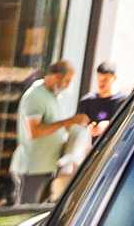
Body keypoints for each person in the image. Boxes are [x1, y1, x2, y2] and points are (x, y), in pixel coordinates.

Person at [11, 59, 81, 204]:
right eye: (67, 80)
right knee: (24, 212)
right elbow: (34, 131)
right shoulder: (36, 96)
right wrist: (65, 122)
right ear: (57, 76)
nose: (68, 85)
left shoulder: (54, 96)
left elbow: (55, 126)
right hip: (33, 168)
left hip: (48, 167)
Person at [77, 61, 122, 140]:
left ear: (114, 78)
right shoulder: (87, 101)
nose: (101, 83)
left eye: (106, 79)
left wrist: (109, 125)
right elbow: (77, 128)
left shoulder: (123, 101)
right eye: (99, 78)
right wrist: (88, 129)